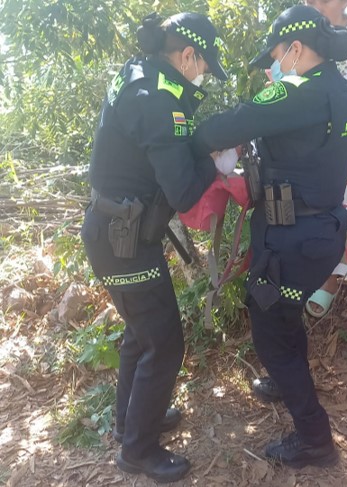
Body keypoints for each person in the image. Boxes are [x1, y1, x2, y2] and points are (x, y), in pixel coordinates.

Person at [192, 5, 347, 468]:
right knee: (285, 315)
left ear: (296, 48)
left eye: (275, 55)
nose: (272, 66)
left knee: (269, 331)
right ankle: (285, 379)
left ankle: (314, 441)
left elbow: (217, 128)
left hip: (290, 237)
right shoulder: (345, 94)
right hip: (322, 229)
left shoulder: (295, 94)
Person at [81, 12, 227, 484]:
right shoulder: (157, 99)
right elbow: (184, 192)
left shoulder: (137, 73)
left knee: (140, 334)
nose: (202, 75)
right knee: (164, 340)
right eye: (203, 65)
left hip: (115, 230)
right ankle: (137, 450)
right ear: (187, 54)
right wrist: (215, 161)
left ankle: (130, 423)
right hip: (122, 239)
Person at [305, 0, 347, 319]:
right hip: (323, 148)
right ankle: (330, 277)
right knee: (331, 212)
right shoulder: (306, 36)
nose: (313, 4)